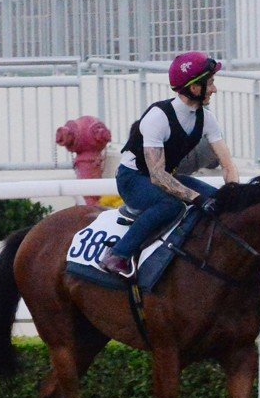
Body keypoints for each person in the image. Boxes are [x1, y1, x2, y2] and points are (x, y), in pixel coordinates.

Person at [98, 52, 239, 277]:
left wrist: (234, 194)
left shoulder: (207, 119)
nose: (214, 89)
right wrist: (196, 198)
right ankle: (117, 255)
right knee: (171, 206)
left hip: (167, 176)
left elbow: (228, 165)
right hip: (133, 179)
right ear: (194, 88)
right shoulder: (158, 117)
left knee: (220, 200)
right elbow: (157, 176)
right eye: (210, 83)